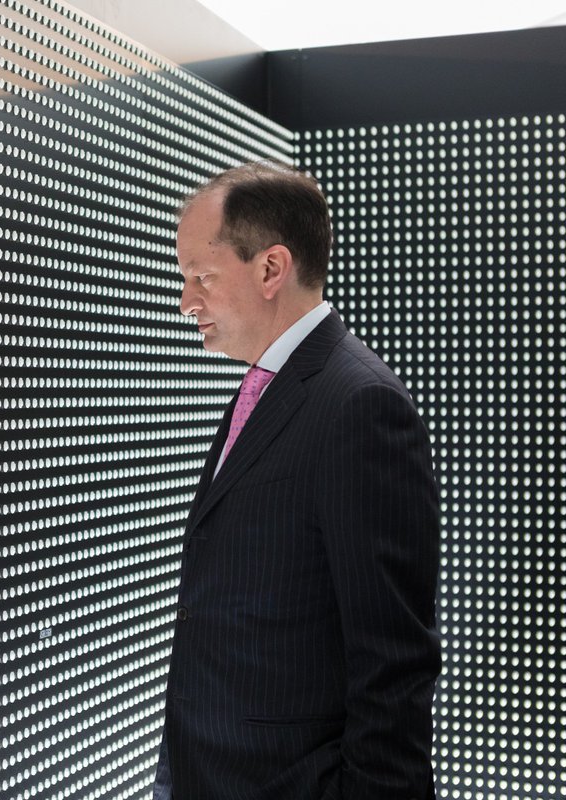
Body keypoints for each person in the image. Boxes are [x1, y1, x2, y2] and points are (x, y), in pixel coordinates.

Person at [152, 161, 441, 800]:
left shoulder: (359, 405)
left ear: (271, 269)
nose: (186, 302)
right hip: (211, 769)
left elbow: (392, 663)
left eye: (201, 277)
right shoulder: (267, 387)